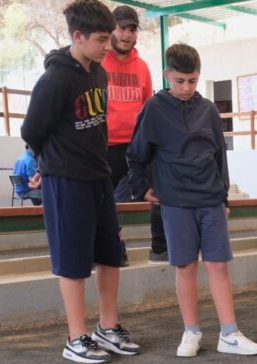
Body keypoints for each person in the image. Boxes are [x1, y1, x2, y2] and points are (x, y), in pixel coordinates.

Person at [126, 43, 257, 358]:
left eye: (192, 81)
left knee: (218, 265)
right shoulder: (153, 108)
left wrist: (224, 196)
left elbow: (219, 155)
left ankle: (229, 333)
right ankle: (191, 331)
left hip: (210, 198)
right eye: (179, 81)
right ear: (167, 75)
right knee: (185, 266)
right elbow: (136, 153)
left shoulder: (208, 110)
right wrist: (139, 187)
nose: (186, 88)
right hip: (174, 201)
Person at [20, 0, 140, 364]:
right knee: (73, 261)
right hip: (66, 180)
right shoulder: (55, 79)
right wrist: (47, 163)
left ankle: (107, 327)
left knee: (110, 254)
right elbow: (32, 130)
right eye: (102, 39)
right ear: (78, 36)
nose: (110, 45)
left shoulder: (98, 73)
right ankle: (76, 337)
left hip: (99, 176)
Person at [102, 4, 167, 264]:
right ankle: (114, 249)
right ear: (111, 30)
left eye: (132, 29)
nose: (127, 35)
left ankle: (160, 248)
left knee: (156, 192)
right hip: (105, 146)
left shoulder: (142, 67)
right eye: (122, 28)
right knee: (105, 202)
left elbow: (147, 107)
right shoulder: (99, 63)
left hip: (138, 146)